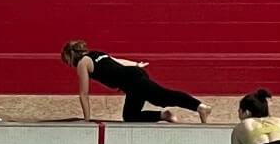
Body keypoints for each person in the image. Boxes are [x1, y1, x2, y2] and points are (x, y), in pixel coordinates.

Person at [63, 40, 210, 123]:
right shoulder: (97, 53)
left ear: (71, 56)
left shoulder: (83, 63)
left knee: (162, 97)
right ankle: (164, 115)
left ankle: (200, 107)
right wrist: (135, 64)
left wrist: (87, 119)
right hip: (131, 79)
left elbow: (84, 93)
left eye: (67, 62)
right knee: (130, 116)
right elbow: (117, 61)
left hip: (132, 80)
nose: (69, 65)